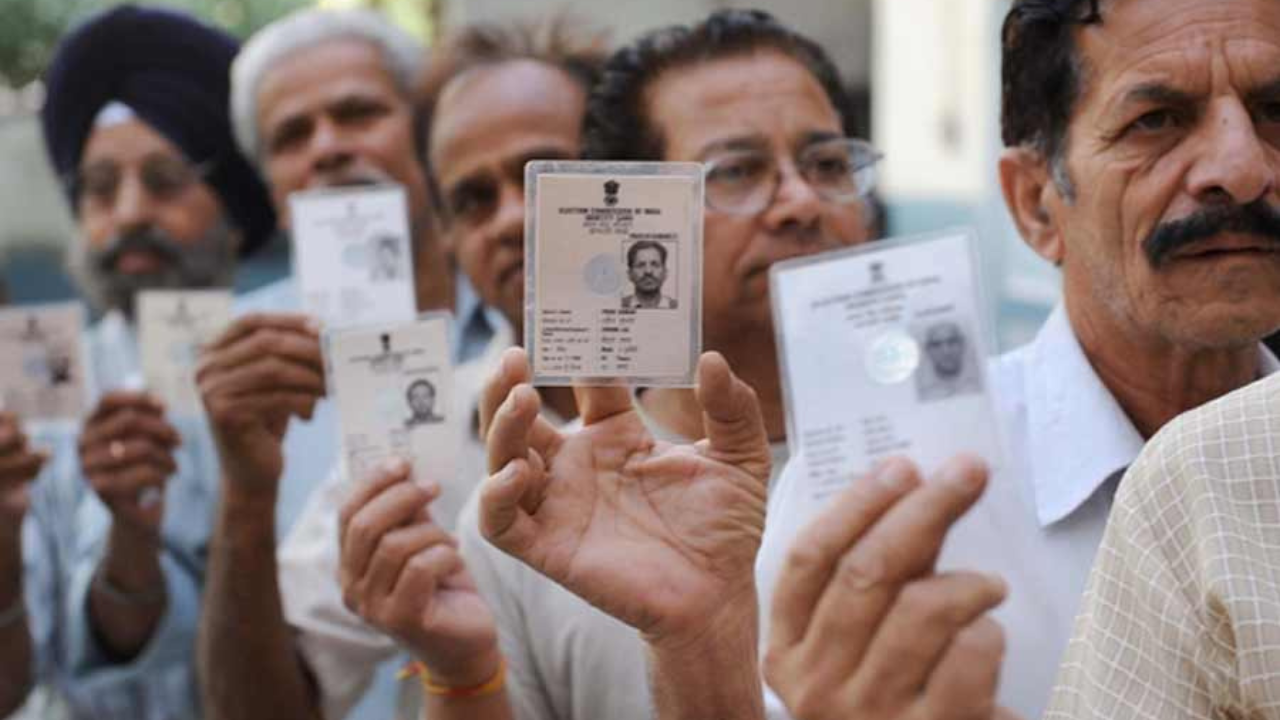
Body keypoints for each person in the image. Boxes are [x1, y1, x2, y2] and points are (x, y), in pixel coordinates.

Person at [341, 10, 894, 720]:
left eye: (827, 164)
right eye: (738, 172)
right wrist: (462, 677)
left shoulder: (977, 438)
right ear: (639, 218)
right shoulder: (539, 518)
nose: (799, 201)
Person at [753, 0, 1280, 716]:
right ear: (1035, 203)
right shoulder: (887, 493)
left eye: (1275, 110)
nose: (1242, 169)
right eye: (1156, 120)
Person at [196, 14, 596, 720]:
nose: (511, 219)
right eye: (473, 197)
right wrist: (248, 495)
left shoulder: (742, 395)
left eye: (546, 174)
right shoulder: (417, 423)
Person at [8, 5, 275, 718]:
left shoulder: (292, 375)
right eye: (99, 188)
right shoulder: (28, 394)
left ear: (232, 209)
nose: (128, 213)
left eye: (164, 181)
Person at [915, 320, 981, 401]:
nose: (946, 352)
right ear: (928, 350)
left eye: (952, 342)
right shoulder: (924, 396)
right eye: (936, 345)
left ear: (962, 344)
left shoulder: (980, 384)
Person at [620, 240, 677, 310]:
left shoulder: (677, 307)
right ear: (629, 274)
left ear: (665, 272)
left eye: (655, 264)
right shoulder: (618, 305)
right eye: (641, 265)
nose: (648, 271)